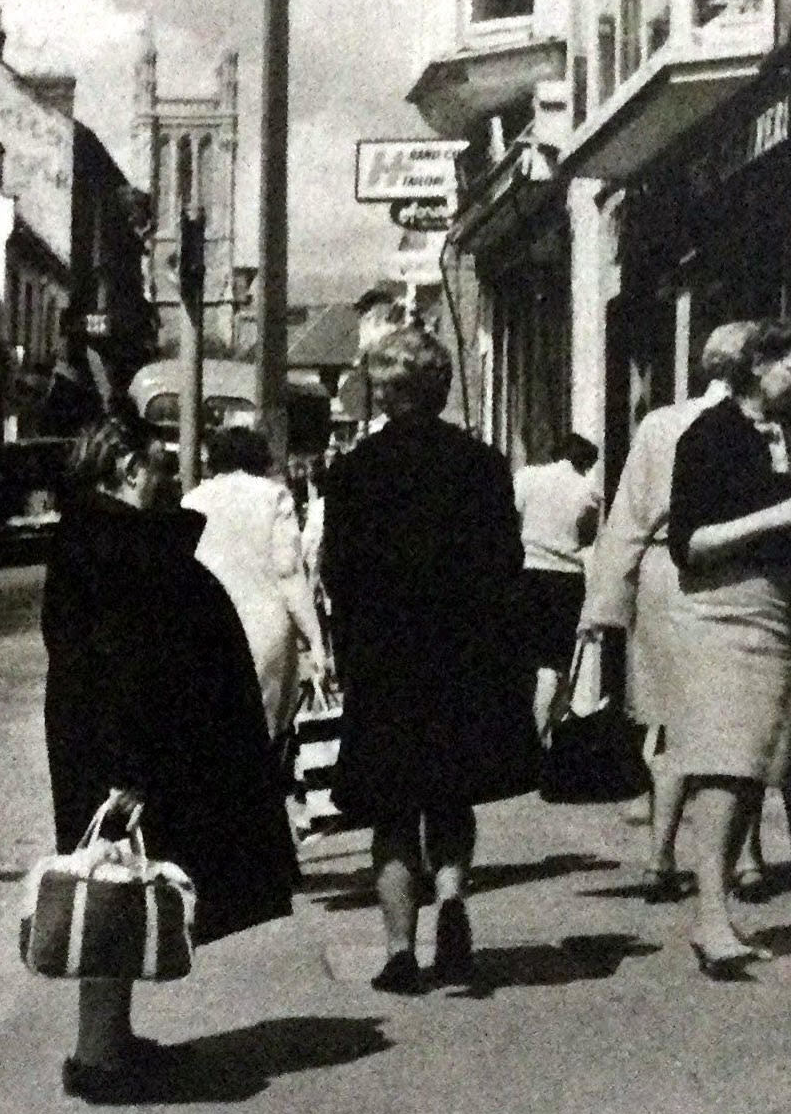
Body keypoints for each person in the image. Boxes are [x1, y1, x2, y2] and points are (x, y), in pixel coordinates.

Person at [40, 376, 299, 1101]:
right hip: (121, 754)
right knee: (110, 885)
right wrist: (127, 769)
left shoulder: (96, 539)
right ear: (127, 471)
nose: (173, 479)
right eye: (160, 466)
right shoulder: (115, 548)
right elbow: (122, 667)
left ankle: (110, 1040)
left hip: (113, 746)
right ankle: (98, 1055)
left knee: (115, 885)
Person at [320, 326, 531, 995]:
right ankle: (452, 899)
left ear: (385, 392)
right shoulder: (484, 464)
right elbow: (507, 567)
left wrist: (344, 649)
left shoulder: (353, 471)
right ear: (440, 387)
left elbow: (339, 572)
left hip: (385, 656)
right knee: (450, 793)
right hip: (461, 656)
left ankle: (399, 950)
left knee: (390, 810)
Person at [666, 318, 791, 978]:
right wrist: (781, 515)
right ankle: (709, 915)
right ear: (757, 366)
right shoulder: (710, 436)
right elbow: (690, 542)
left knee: (754, 764)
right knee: (725, 764)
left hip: (780, 610)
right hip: (726, 613)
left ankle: (719, 912)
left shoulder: (790, 435)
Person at [578, 322, 757, 902]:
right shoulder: (758, 430)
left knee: (674, 724)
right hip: (730, 574)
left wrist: (604, 605)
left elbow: (628, 518)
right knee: (737, 721)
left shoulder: (659, 424)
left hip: (661, 576)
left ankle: (660, 856)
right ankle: (746, 860)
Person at [184, 426, 330, 742]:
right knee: (260, 739)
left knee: (213, 735)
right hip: (262, 633)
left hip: (205, 632)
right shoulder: (273, 497)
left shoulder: (192, 501)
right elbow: (289, 575)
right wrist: (316, 640)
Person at [514, 433, 601, 735]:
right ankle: (545, 728)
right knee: (555, 660)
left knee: (527, 657)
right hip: (566, 580)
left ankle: (530, 729)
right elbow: (588, 540)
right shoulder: (588, 490)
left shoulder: (526, 478)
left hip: (527, 574)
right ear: (584, 462)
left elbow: (511, 521)